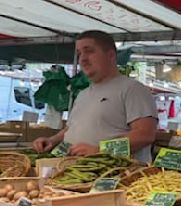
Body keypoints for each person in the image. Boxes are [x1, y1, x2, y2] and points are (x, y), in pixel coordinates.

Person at [32, 30, 158, 163]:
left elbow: (145, 135)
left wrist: (100, 150)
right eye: (80, 53)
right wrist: (53, 140)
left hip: (114, 176)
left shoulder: (133, 89)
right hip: (75, 172)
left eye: (89, 51)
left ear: (110, 55)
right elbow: (72, 128)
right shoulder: (83, 94)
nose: (83, 59)